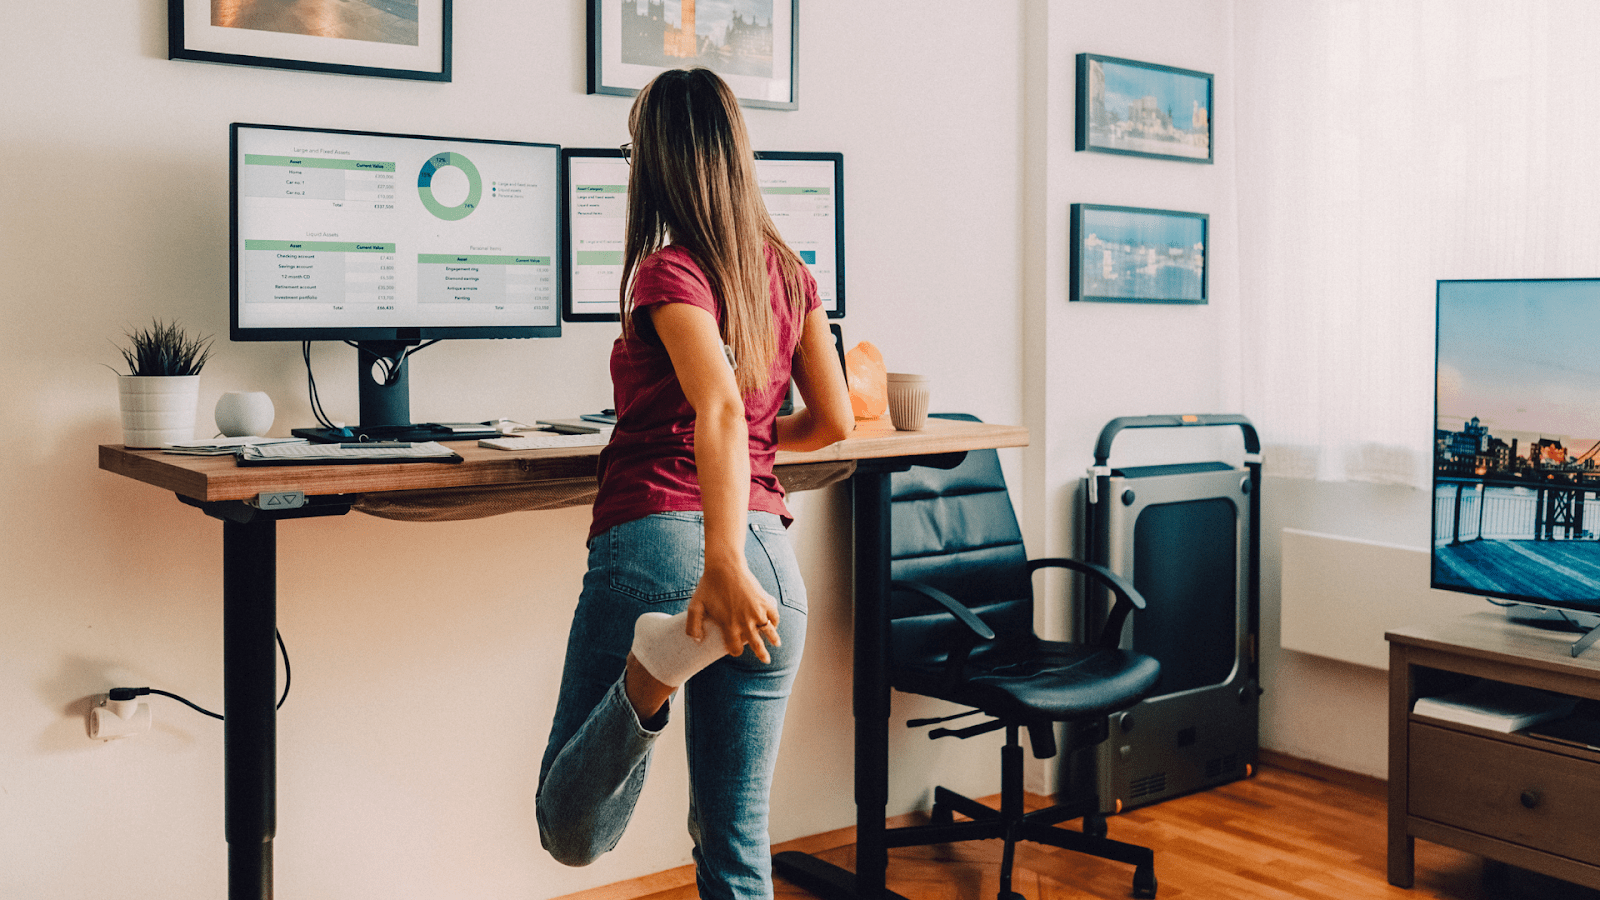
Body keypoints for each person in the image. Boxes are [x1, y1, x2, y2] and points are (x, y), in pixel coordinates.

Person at [535, 67, 854, 900]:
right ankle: (670, 649)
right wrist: (754, 457)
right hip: (774, 571)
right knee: (736, 841)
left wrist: (718, 563)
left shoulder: (667, 272)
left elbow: (714, 404)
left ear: (656, 163)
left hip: (668, 544)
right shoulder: (791, 273)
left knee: (566, 827)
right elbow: (833, 424)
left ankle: (653, 671)